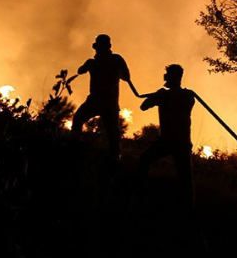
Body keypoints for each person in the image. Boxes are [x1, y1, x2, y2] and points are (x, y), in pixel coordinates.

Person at [137, 64, 198, 203]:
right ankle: (189, 206)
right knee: (186, 178)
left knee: (144, 160)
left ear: (169, 77)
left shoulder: (164, 95)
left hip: (167, 142)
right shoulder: (188, 96)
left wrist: (158, 94)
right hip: (183, 142)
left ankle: (140, 193)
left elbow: (143, 106)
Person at [71, 33, 133, 161]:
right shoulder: (106, 60)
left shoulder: (114, 60)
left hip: (105, 102)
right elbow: (80, 70)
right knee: (111, 131)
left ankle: (114, 157)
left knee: (112, 132)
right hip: (100, 101)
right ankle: (76, 149)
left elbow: (126, 77)